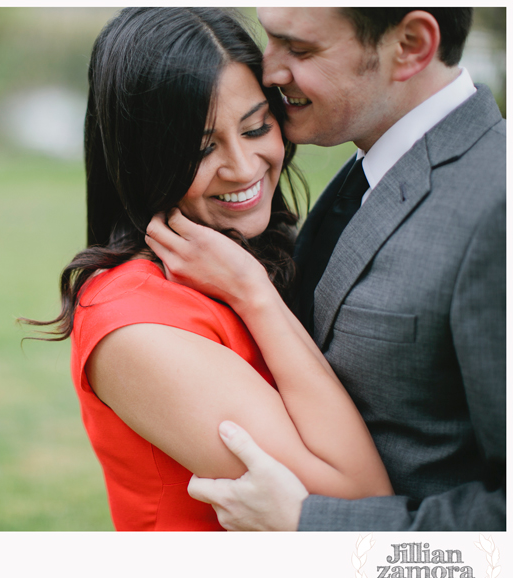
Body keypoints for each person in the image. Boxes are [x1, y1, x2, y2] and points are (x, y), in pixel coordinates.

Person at [25, 7, 393, 530]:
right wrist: (255, 295)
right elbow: (357, 505)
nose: (244, 167)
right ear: (144, 157)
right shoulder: (135, 323)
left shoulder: (242, 258)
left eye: (256, 127)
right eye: (202, 148)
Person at [147, 8, 505, 530]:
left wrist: (308, 525)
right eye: (270, 38)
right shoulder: (366, 169)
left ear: (410, 45)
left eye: (300, 49)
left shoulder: (497, 207)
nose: (268, 71)